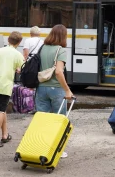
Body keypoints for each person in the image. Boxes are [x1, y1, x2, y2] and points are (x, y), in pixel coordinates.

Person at [35, 24, 74, 158]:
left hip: (41, 88)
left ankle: (41, 148)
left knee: (42, 120)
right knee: (58, 121)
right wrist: (67, 90)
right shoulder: (61, 50)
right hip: (56, 90)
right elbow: (58, 72)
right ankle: (57, 150)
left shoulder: (42, 48)